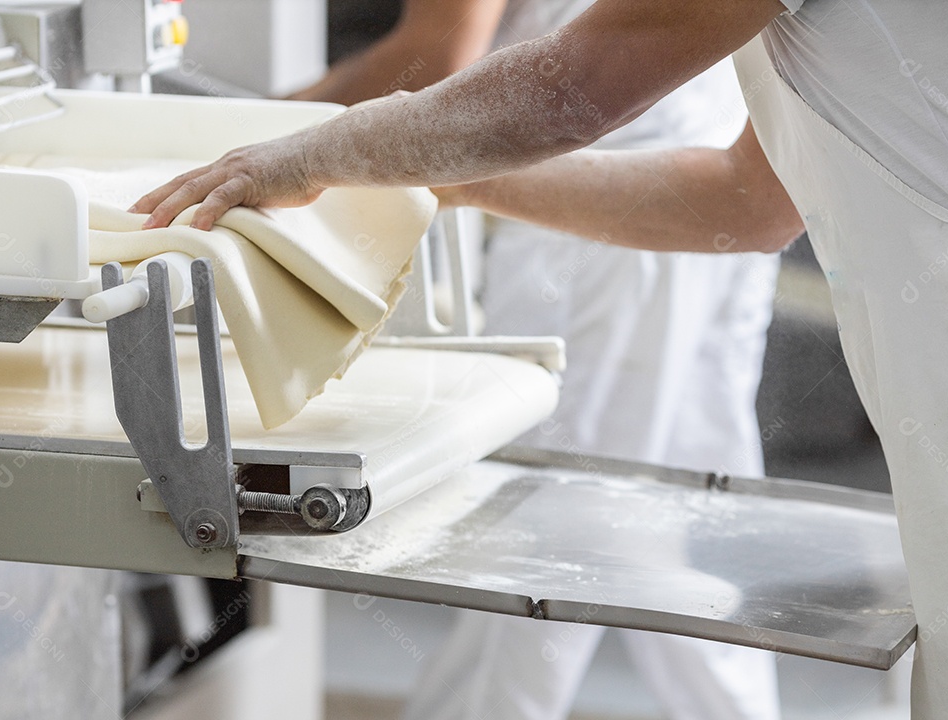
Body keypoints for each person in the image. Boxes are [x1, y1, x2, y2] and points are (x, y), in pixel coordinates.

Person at [132, 2, 948, 717]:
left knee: (562, 534)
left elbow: (576, 85)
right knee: (653, 535)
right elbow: (747, 200)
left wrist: (318, 153)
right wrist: (421, 175)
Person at [287, 2, 781, 718]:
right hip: (703, 171)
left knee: (542, 545)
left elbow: (437, 56)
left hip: (602, 200)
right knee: (676, 532)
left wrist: (264, 132)